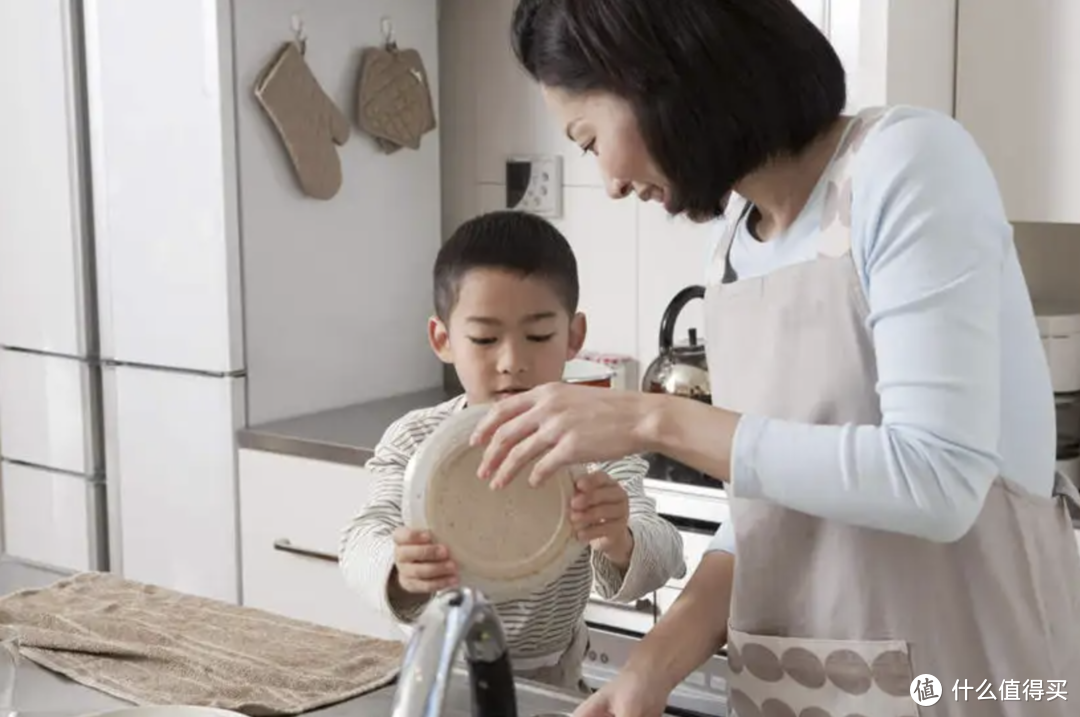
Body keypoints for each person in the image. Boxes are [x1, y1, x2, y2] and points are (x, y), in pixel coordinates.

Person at [468, 1, 1080, 716]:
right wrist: (647, 672)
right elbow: (768, 513)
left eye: (589, 138)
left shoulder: (906, 161)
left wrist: (650, 418)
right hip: (800, 690)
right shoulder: (733, 245)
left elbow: (938, 479)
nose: (607, 180)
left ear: (657, 76)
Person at [338, 210, 686, 693]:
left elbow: (667, 554)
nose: (512, 362)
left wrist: (622, 538)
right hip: (435, 680)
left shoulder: (593, 444)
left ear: (574, 336)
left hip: (552, 686)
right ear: (443, 339)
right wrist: (397, 569)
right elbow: (359, 540)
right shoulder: (416, 440)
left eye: (539, 336)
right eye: (483, 338)